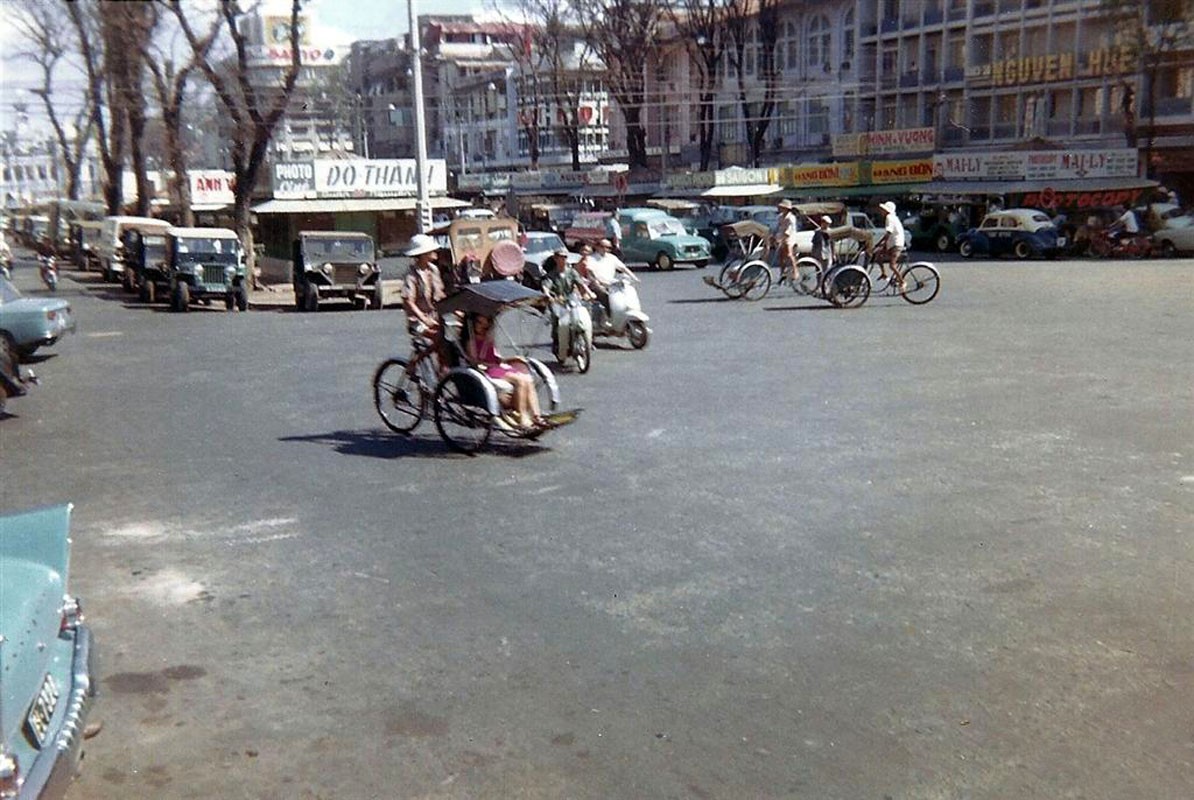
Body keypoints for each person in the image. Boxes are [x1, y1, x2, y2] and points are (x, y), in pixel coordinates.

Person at [466, 313, 544, 430]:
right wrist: (493, 364)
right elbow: (475, 362)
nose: (483, 326)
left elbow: (498, 357)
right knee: (520, 381)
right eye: (479, 323)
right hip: (487, 370)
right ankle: (522, 417)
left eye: (486, 322)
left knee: (528, 379)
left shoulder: (489, 340)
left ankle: (537, 416)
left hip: (499, 367)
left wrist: (512, 359)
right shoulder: (471, 342)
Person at [586, 238, 638, 315]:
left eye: (608, 247)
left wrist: (634, 277)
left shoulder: (612, 257)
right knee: (606, 295)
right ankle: (609, 315)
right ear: (597, 247)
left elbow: (623, 268)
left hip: (611, 284)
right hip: (597, 284)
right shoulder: (591, 258)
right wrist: (597, 281)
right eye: (602, 246)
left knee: (626, 293)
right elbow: (590, 272)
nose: (605, 249)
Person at [876, 200, 906, 286]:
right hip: (893, 244)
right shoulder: (892, 217)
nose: (881, 211)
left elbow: (888, 233)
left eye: (882, 210)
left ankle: (902, 281)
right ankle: (884, 274)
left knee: (892, 265)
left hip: (896, 244)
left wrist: (881, 243)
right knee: (878, 255)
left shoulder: (889, 217)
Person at [772, 199, 799, 282]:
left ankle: (795, 271)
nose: (780, 209)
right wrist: (773, 235)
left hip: (790, 237)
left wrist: (783, 238)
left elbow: (789, 230)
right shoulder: (780, 217)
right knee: (781, 256)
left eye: (782, 207)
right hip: (781, 236)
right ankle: (782, 272)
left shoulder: (791, 218)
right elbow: (777, 227)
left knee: (789, 253)